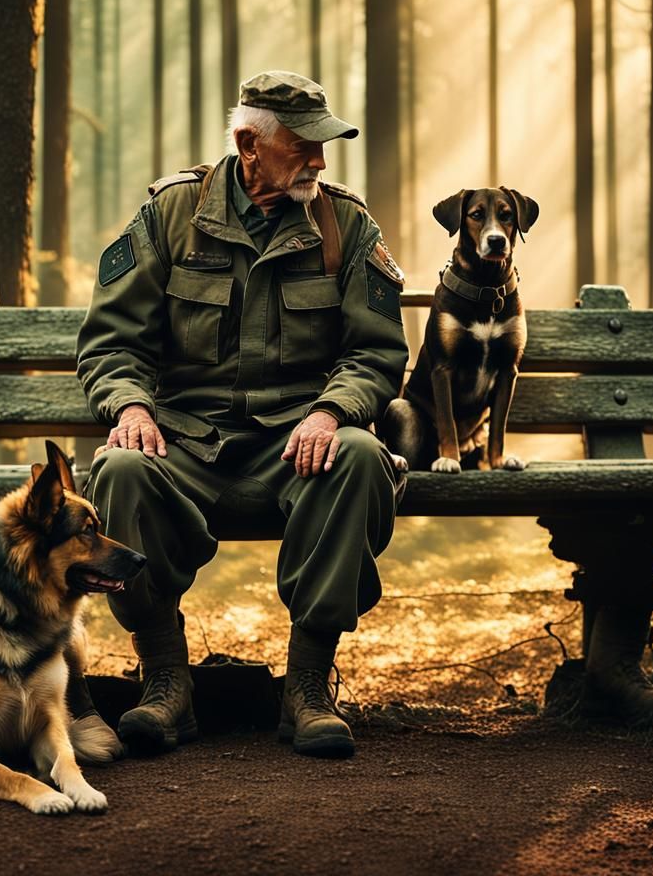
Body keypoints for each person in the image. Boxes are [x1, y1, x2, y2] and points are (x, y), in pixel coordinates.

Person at [75, 71, 408, 759]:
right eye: (303, 145)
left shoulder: (346, 224)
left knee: (359, 456)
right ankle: (165, 680)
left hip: (297, 442)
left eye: (324, 145)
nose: (319, 161)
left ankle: (308, 687)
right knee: (119, 470)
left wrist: (331, 412)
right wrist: (131, 405)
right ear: (248, 145)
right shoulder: (171, 214)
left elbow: (376, 354)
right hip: (184, 442)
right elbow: (112, 342)